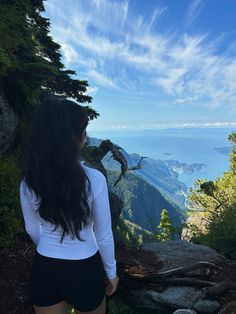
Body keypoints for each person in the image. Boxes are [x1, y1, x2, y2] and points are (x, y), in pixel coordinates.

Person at [19, 95, 119, 314]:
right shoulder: (94, 180)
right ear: (79, 137)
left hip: (45, 269)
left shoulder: (29, 180)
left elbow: (32, 228)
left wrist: (48, 248)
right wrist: (111, 272)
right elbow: (103, 234)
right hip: (84, 268)